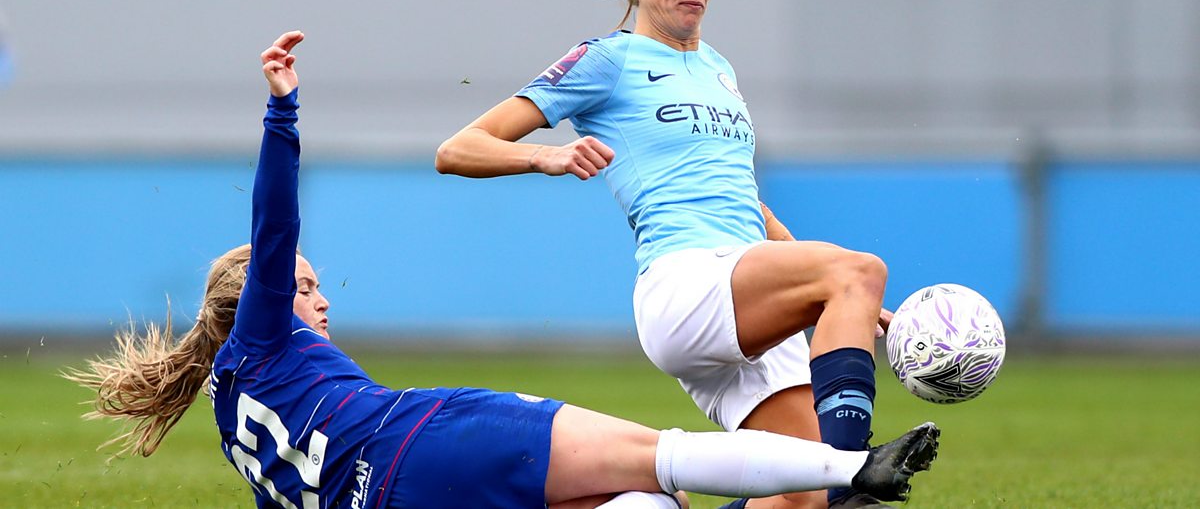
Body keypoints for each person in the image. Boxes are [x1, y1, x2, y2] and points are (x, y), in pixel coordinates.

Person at [67, 31, 938, 509]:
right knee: (658, 458)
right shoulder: (259, 337)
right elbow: (273, 214)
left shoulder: (232, 414)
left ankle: (824, 484)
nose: (317, 293)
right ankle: (845, 471)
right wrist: (282, 112)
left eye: (311, 279)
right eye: (298, 284)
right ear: (251, 301)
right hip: (431, 439)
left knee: (643, 504)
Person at [435, 0, 907, 508]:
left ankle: (819, 486)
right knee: (857, 272)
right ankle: (856, 474)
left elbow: (748, 205)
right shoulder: (605, 59)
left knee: (797, 496)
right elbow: (458, 148)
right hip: (686, 283)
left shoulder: (718, 67)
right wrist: (547, 154)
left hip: (743, 279)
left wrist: (842, 295)